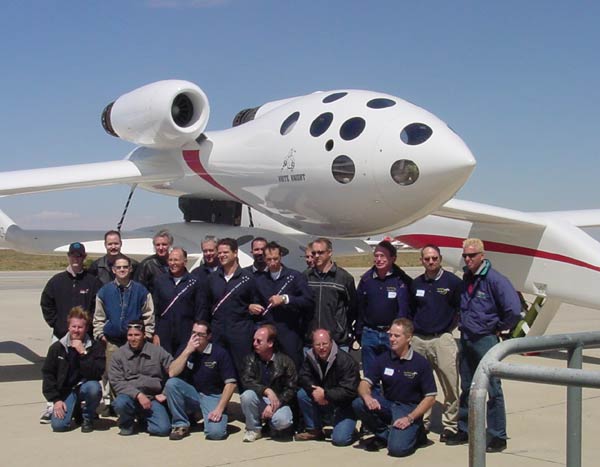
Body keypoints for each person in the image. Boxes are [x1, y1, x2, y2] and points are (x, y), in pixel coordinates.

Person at [451, 238, 522, 452]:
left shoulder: (495, 280)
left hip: (485, 340)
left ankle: (497, 435)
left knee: (492, 389)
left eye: (472, 255)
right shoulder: (466, 278)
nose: (468, 259)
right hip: (466, 338)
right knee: (467, 387)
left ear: (482, 255)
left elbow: (513, 310)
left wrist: (497, 328)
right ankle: (465, 429)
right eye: (465, 255)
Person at [353, 318, 436, 457]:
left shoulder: (420, 363)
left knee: (397, 450)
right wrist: (367, 396)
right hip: (388, 404)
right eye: (390, 335)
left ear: (409, 338)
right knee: (359, 403)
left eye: (396, 336)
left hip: (409, 409)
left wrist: (410, 418)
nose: (391, 339)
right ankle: (385, 435)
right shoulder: (383, 359)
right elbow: (364, 383)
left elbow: (431, 397)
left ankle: (417, 434)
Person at [39, 241, 102, 423]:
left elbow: (96, 308)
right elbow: (46, 304)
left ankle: (86, 407)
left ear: (84, 258)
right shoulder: (56, 281)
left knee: (87, 371)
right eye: (73, 255)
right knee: (56, 370)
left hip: (85, 336)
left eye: (80, 255)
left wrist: (87, 330)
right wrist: (58, 326)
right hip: (61, 335)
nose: (76, 258)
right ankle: (53, 405)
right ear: (69, 256)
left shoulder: (92, 282)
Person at [409, 244, 462, 443]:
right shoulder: (416, 284)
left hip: (442, 339)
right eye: (427, 258)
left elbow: (459, 309)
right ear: (421, 260)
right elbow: (412, 310)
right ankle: (422, 424)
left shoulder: (453, 282)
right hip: (419, 340)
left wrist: (447, 329)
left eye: (434, 258)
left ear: (440, 259)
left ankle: (450, 425)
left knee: (450, 383)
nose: (431, 262)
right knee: (420, 384)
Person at [93, 254, 155, 413]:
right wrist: (100, 334)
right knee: (113, 375)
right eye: (118, 267)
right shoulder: (105, 291)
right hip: (112, 341)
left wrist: (147, 334)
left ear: (130, 269)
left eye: (125, 267)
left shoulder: (140, 290)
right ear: (113, 270)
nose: (122, 270)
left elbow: (149, 314)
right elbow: (98, 316)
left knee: (135, 374)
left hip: (134, 341)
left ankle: (135, 405)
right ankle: (115, 405)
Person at [164, 321, 237, 441]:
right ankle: (180, 424)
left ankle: (217, 417)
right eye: (193, 333)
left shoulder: (220, 353)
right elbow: (172, 372)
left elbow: (231, 384)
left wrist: (219, 409)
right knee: (172, 384)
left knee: (215, 434)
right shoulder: (186, 348)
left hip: (212, 396)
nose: (196, 337)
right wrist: (187, 351)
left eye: (200, 334)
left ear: (209, 336)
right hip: (193, 394)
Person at [250, 241, 314, 369]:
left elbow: (308, 301)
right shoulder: (259, 280)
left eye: (275, 258)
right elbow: (254, 301)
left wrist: (286, 299)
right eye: (269, 259)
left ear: (281, 257)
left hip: (290, 332)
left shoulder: (295, 276)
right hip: (269, 334)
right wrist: (251, 307)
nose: (272, 262)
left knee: (293, 368)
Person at [41, 306, 104, 433]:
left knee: (94, 388)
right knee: (59, 426)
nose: (76, 330)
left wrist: (83, 353)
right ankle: (75, 409)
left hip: (84, 387)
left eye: (80, 327)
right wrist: (56, 400)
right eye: (74, 327)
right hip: (65, 391)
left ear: (86, 328)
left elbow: (97, 373)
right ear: (68, 327)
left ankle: (88, 417)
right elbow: (48, 375)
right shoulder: (57, 348)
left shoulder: (95, 347)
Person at [202, 238, 257, 376]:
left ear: (235, 253)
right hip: (217, 332)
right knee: (217, 369)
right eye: (219, 253)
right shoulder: (212, 279)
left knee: (242, 369)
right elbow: (205, 306)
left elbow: (257, 304)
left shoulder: (248, 278)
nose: (221, 255)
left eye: (225, 252)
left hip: (241, 333)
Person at [355, 240, 412, 373]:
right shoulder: (366, 280)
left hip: (392, 335)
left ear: (393, 258)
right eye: (376, 256)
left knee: (392, 374)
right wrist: (359, 330)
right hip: (370, 333)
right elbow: (359, 306)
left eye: (383, 256)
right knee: (370, 376)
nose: (379, 259)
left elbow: (407, 308)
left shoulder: (402, 280)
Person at [295, 328, 359, 446]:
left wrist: (325, 394)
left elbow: (350, 390)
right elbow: (303, 376)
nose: (321, 347)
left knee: (340, 440)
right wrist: (313, 389)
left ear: (331, 342)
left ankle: (350, 430)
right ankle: (314, 430)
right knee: (302, 394)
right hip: (324, 401)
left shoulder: (345, 361)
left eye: (324, 344)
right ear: (313, 345)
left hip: (344, 405)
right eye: (317, 344)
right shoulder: (310, 357)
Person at [109, 320, 172, 436]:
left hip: (152, 399)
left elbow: (174, 372)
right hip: (129, 398)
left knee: (163, 429)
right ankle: (126, 423)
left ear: (144, 335)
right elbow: (116, 382)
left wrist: (165, 393)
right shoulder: (118, 355)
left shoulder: (157, 351)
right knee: (120, 403)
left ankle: (143, 419)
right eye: (130, 335)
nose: (133, 338)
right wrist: (138, 395)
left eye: (137, 335)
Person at [240, 325, 297, 442]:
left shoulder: (286, 361)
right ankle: (254, 429)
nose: (255, 343)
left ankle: (271, 427)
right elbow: (246, 381)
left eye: (259, 341)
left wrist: (274, 404)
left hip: (279, 401)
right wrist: (266, 390)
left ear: (270, 343)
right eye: (254, 340)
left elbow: (291, 388)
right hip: (259, 400)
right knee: (246, 396)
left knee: (283, 421)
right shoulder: (250, 359)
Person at [304, 237, 357, 350]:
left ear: (330, 253)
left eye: (320, 252)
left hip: (337, 341)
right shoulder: (305, 276)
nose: (316, 256)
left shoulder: (344, 278)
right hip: (311, 341)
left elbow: (353, 307)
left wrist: (340, 328)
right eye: (314, 253)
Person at [153, 247, 204, 356]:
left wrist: (196, 334)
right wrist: (156, 333)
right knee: (165, 365)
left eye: (176, 260)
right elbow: (156, 310)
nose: (173, 263)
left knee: (183, 365)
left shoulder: (195, 282)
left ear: (184, 261)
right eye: (170, 260)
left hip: (186, 331)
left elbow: (200, 310)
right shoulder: (160, 281)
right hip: (164, 331)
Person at [134, 229, 173, 294]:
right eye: (157, 245)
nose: (160, 248)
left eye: (164, 244)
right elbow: (138, 288)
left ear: (170, 245)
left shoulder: (174, 263)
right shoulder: (147, 264)